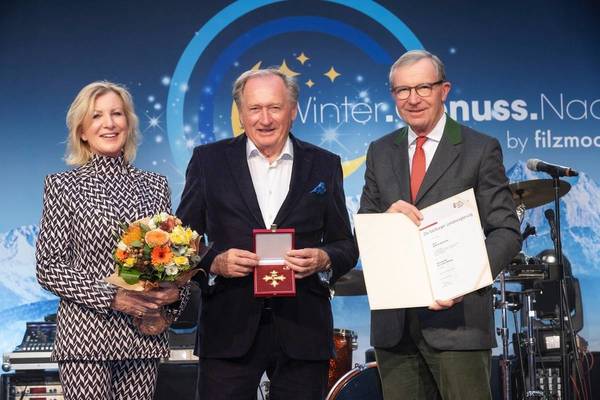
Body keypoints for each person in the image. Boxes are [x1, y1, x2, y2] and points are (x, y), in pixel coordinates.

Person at [177, 68, 358, 400]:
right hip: (228, 327)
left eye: (274, 107)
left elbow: (346, 244)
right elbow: (180, 240)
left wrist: (323, 258)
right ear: (240, 113)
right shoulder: (208, 161)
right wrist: (215, 262)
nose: (265, 119)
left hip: (304, 328)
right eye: (254, 108)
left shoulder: (324, 164)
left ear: (293, 110)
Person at [358, 50, 522, 399]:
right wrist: (384, 223)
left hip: (458, 324)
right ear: (393, 96)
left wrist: (463, 279)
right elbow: (365, 230)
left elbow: (506, 231)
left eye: (423, 87)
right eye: (403, 90)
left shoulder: (480, 148)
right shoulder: (379, 151)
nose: (413, 99)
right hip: (394, 329)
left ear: (443, 90)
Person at [36, 81, 186, 400]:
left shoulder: (155, 185)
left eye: (117, 114)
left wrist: (173, 301)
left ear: (128, 124)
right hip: (87, 339)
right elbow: (48, 267)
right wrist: (113, 298)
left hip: (142, 336)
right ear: (82, 131)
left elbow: (172, 261)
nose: (109, 123)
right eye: (97, 115)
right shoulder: (62, 186)